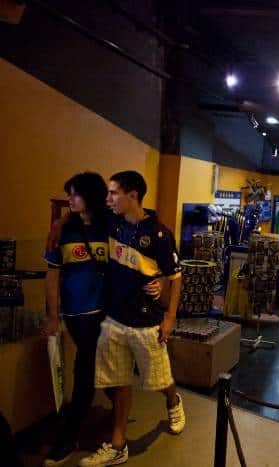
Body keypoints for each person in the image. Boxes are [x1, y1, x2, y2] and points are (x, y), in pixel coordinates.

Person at [42, 173, 161, 466]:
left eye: (76, 195)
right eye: (68, 195)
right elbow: (52, 275)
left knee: (85, 372)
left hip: (104, 311)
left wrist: (157, 281)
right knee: (99, 369)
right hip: (74, 313)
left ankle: (70, 439)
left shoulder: (111, 226)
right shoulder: (64, 230)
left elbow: (144, 230)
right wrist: (53, 316)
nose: (71, 200)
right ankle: (118, 415)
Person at [79, 171, 184, 466]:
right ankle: (118, 444)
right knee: (119, 380)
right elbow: (77, 212)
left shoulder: (160, 235)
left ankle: (173, 401)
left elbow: (176, 277)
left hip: (147, 320)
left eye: (114, 193)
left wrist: (170, 318)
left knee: (159, 378)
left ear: (133, 195)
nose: (108, 199)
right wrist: (61, 221)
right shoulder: (111, 222)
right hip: (114, 317)